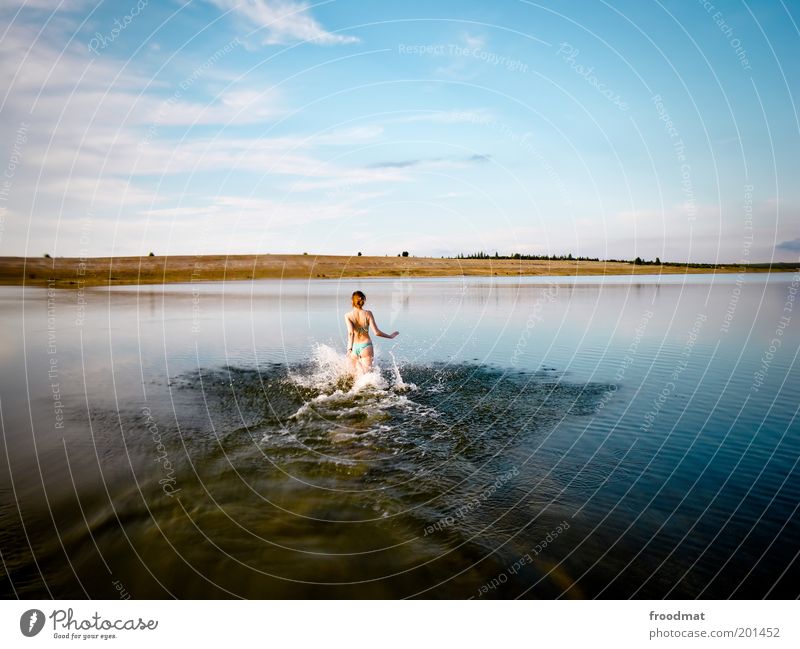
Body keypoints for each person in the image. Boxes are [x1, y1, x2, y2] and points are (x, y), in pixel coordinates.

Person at [345, 290, 398, 374]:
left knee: (354, 375)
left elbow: (350, 333)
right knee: (367, 375)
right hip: (366, 346)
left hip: (354, 347)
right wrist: (390, 336)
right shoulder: (368, 313)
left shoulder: (348, 315)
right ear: (363, 301)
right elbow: (376, 332)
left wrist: (349, 349)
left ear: (352, 301)